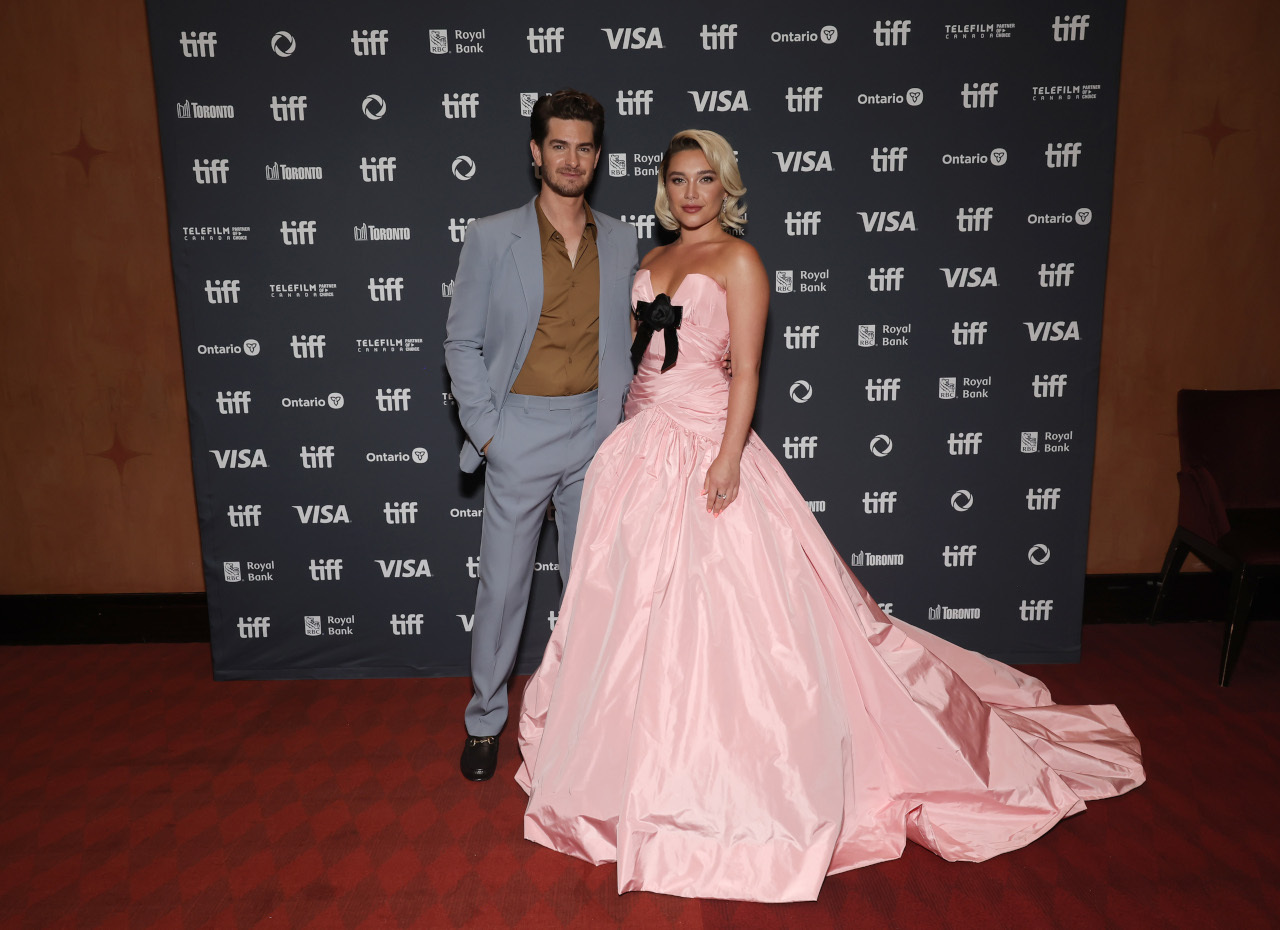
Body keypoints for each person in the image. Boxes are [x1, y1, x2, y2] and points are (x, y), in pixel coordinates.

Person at [514, 130, 1145, 901]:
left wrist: (726, 456)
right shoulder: (650, 263)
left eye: (704, 179)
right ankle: (623, 767)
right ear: (663, 188)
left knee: (737, 627)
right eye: (677, 180)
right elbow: (647, 361)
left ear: (726, 187)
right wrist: (626, 435)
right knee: (630, 618)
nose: (689, 194)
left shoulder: (741, 262)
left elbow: (744, 368)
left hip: (709, 447)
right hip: (639, 452)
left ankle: (737, 774)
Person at [443, 90, 639, 782]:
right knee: (503, 589)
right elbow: (462, 342)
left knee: (591, 589)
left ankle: (582, 720)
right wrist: (491, 434)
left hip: (596, 433)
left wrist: (618, 428)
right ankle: (486, 720)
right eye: (559, 145)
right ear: (535, 153)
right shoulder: (493, 236)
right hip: (519, 431)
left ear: (598, 155)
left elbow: (629, 341)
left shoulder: (621, 239)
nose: (572, 158)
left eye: (585, 146)